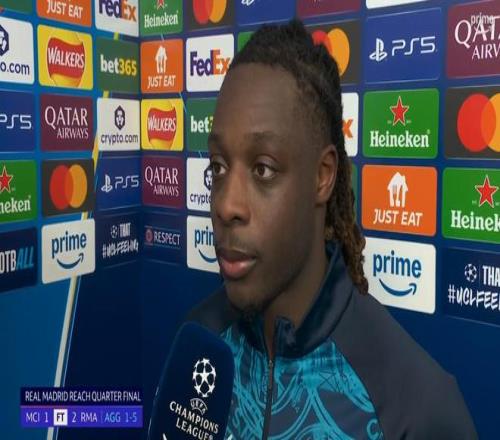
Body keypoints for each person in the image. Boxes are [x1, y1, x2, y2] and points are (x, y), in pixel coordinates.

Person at [187, 19, 477, 439]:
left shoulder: (414, 409)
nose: (226, 205)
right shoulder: (198, 341)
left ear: (323, 176)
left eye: (263, 169)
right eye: (218, 166)